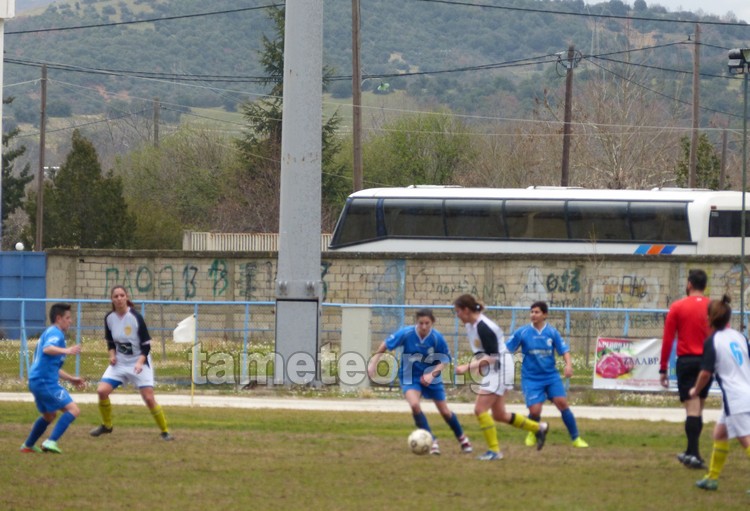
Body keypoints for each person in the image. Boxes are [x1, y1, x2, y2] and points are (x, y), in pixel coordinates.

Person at [453, 294, 548, 461]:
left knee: (480, 409)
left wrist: (467, 367)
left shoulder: (484, 327)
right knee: (499, 414)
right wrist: (479, 365)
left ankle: (495, 451)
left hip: (500, 368)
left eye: (458, 311)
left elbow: (493, 356)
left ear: (466, 310)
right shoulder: (471, 325)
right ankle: (539, 427)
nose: (457, 315)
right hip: (496, 367)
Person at [367, 309, 472, 455]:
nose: (423, 326)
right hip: (410, 375)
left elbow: (445, 359)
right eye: (421, 323)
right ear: (417, 322)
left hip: (432, 377)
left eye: (427, 323)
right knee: (415, 405)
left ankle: (462, 439)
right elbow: (385, 344)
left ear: (432, 323)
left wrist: (432, 375)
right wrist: (373, 363)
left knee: (445, 412)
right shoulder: (407, 333)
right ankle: (432, 441)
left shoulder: (437, 338)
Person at [90, 285, 174, 441]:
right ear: (112, 299)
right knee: (102, 391)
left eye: (122, 295)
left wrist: (139, 363)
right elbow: (110, 343)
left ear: (127, 297)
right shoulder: (109, 318)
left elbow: (147, 345)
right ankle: (107, 426)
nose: (119, 298)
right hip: (120, 363)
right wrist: (112, 356)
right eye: (116, 296)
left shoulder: (135, 317)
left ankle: (165, 431)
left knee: (148, 398)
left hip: (139, 362)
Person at [506, 301, 588, 448]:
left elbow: (564, 350)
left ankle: (576, 439)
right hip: (531, 378)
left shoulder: (552, 332)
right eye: (531, 312)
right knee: (535, 410)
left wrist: (568, 365)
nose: (533, 315)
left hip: (550, 376)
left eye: (537, 312)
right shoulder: (523, 332)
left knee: (562, 403)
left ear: (545, 314)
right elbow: (506, 349)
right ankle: (533, 431)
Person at [690, 295, 750, 492]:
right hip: (742, 392)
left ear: (709, 319)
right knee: (720, 433)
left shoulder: (713, 341)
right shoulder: (740, 336)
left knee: (745, 439)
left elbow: (706, 373)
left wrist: (695, 390)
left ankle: (712, 477)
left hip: (736, 397)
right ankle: (712, 478)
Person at [659, 269, 711, 469]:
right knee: (699, 408)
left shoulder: (678, 307)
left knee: (692, 409)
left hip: (687, 361)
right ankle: (691, 452)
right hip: (708, 362)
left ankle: (694, 455)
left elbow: (668, 339)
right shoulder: (712, 307)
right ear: (704, 286)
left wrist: (663, 368)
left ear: (689, 284)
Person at [21, 303, 86, 454]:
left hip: (37, 380)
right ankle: (51, 441)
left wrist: (71, 379)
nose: (70, 321)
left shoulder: (50, 332)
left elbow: (53, 367)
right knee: (73, 410)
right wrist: (68, 350)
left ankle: (28, 446)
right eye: (68, 318)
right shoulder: (56, 333)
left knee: (49, 415)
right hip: (44, 381)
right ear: (58, 318)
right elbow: (47, 349)